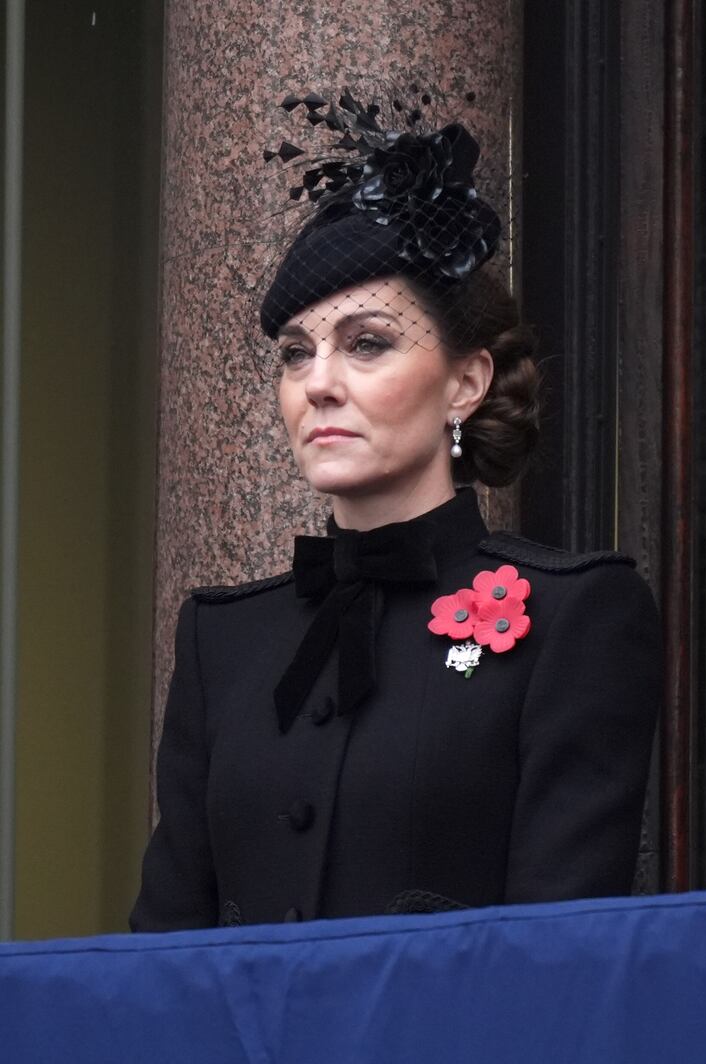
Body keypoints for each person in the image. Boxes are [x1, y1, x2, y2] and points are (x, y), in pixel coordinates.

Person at [130, 95, 661, 931]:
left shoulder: (577, 617)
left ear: (465, 383)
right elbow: (161, 951)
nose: (318, 383)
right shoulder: (221, 639)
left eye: (367, 343)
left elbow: (560, 958)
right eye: (297, 354)